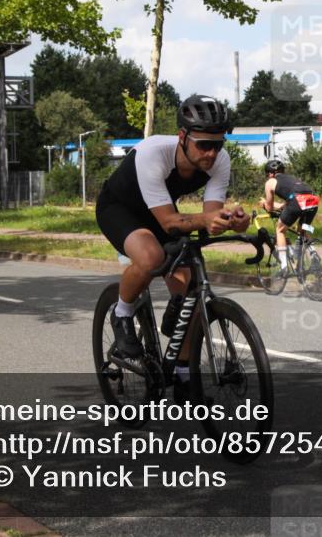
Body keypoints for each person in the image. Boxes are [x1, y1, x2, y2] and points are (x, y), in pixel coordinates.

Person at [96, 95, 249, 380]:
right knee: (151, 257)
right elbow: (168, 222)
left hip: (161, 208)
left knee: (189, 284)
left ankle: (181, 370)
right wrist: (206, 220)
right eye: (204, 145)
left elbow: (210, 217)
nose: (211, 154)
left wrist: (233, 222)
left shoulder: (219, 161)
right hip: (120, 208)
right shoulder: (154, 152)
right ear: (182, 137)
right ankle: (122, 312)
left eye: (218, 145)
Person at [261, 160, 319, 270]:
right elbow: (290, 200)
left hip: (296, 201)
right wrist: (281, 206)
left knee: (280, 230)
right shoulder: (292, 179)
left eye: (268, 174)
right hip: (312, 199)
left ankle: (284, 267)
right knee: (302, 229)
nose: (268, 176)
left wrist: (264, 204)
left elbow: (269, 207)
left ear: (271, 173)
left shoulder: (270, 182)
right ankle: (314, 256)